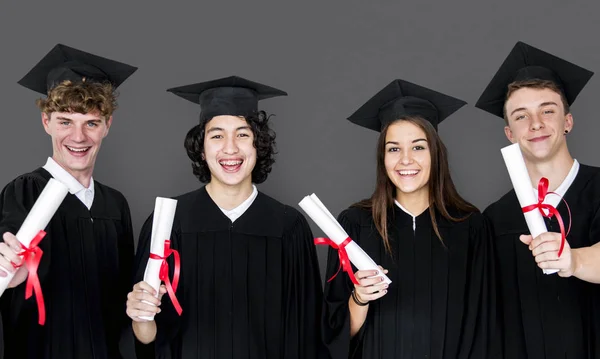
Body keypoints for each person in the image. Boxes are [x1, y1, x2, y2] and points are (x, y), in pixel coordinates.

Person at [126, 76, 325, 359]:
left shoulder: (288, 225)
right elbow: (147, 339)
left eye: (243, 134)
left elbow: (306, 334)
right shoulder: (169, 222)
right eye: (217, 135)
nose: (230, 148)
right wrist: (139, 315)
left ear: (259, 144)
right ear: (202, 148)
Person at [322, 79, 499, 359]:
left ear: (435, 153)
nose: (406, 160)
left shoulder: (470, 227)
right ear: (383, 158)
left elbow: (484, 326)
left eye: (418, 147)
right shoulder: (355, 224)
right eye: (393, 148)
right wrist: (360, 297)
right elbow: (334, 335)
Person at [0, 43, 137, 359]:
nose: (78, 137)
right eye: (65, 121)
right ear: (46, 122)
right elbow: (7, 262)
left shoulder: (115, 205)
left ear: (107, 126)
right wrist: (10, 276)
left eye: (91, 122)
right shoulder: (23, 192)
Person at [476, 41, 600, 359]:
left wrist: (574, 260)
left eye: (548, 110)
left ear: (567, 122)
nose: (536, 124)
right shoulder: (495, 218)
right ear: (510, 134)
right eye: (521, 116)